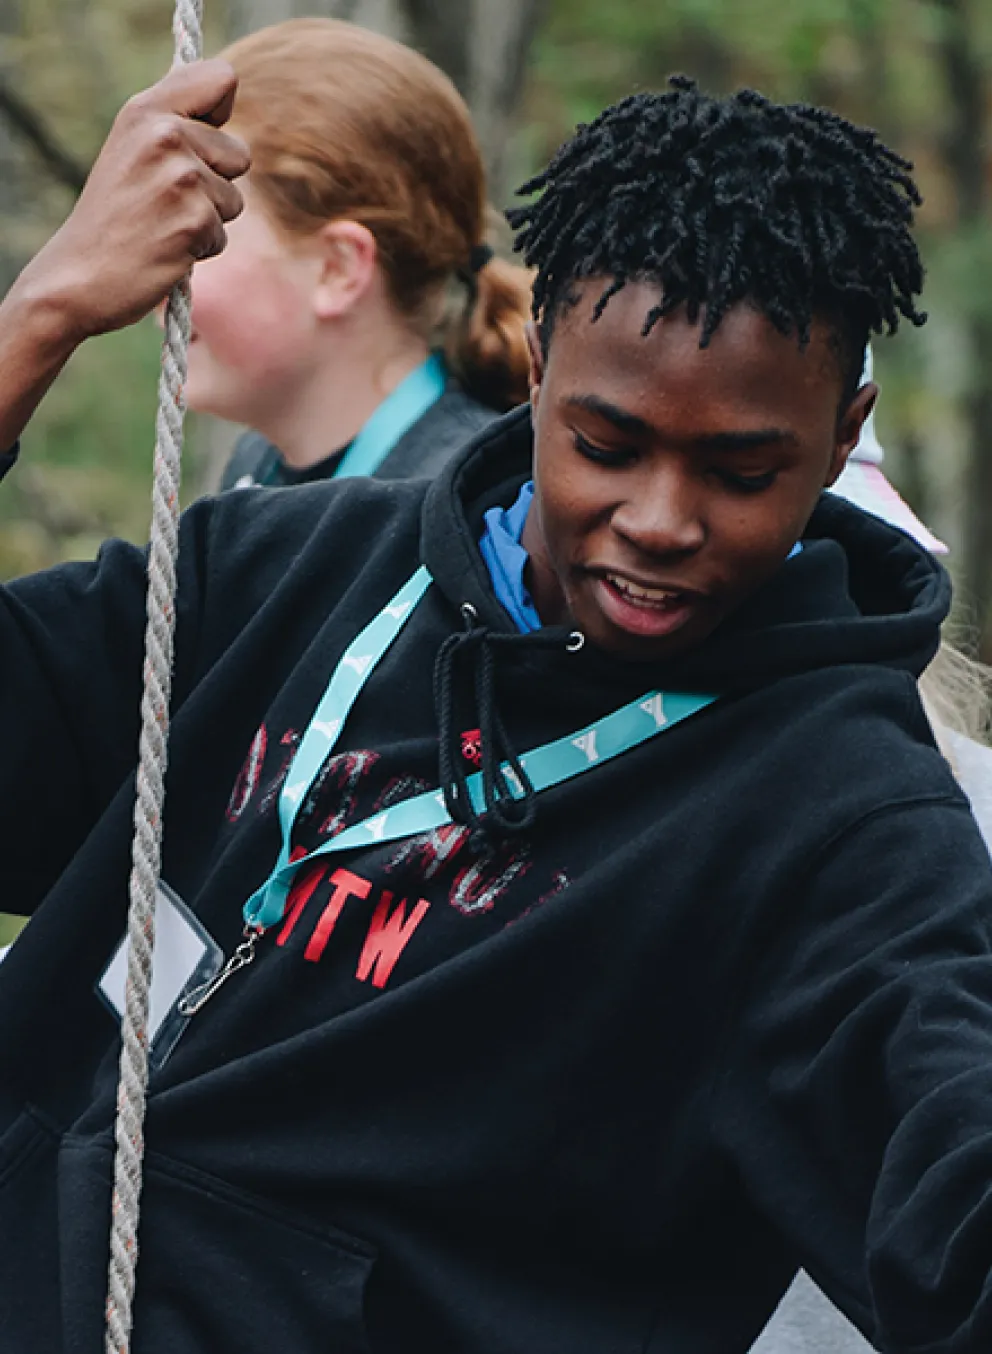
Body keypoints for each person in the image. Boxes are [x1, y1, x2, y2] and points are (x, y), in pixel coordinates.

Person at [4, 63, 992, 1354]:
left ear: (843, 429)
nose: (662, 520)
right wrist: (37, 321)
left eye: (744, 470)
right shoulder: (276, 569)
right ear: (536, 368)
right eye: (607, 443)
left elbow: (950, 1183)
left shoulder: (843, 821)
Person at [190, 18, 532, 491]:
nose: (160, 288)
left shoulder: (468, 503)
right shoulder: (258, 466)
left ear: (339, 268)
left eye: (203, 241)